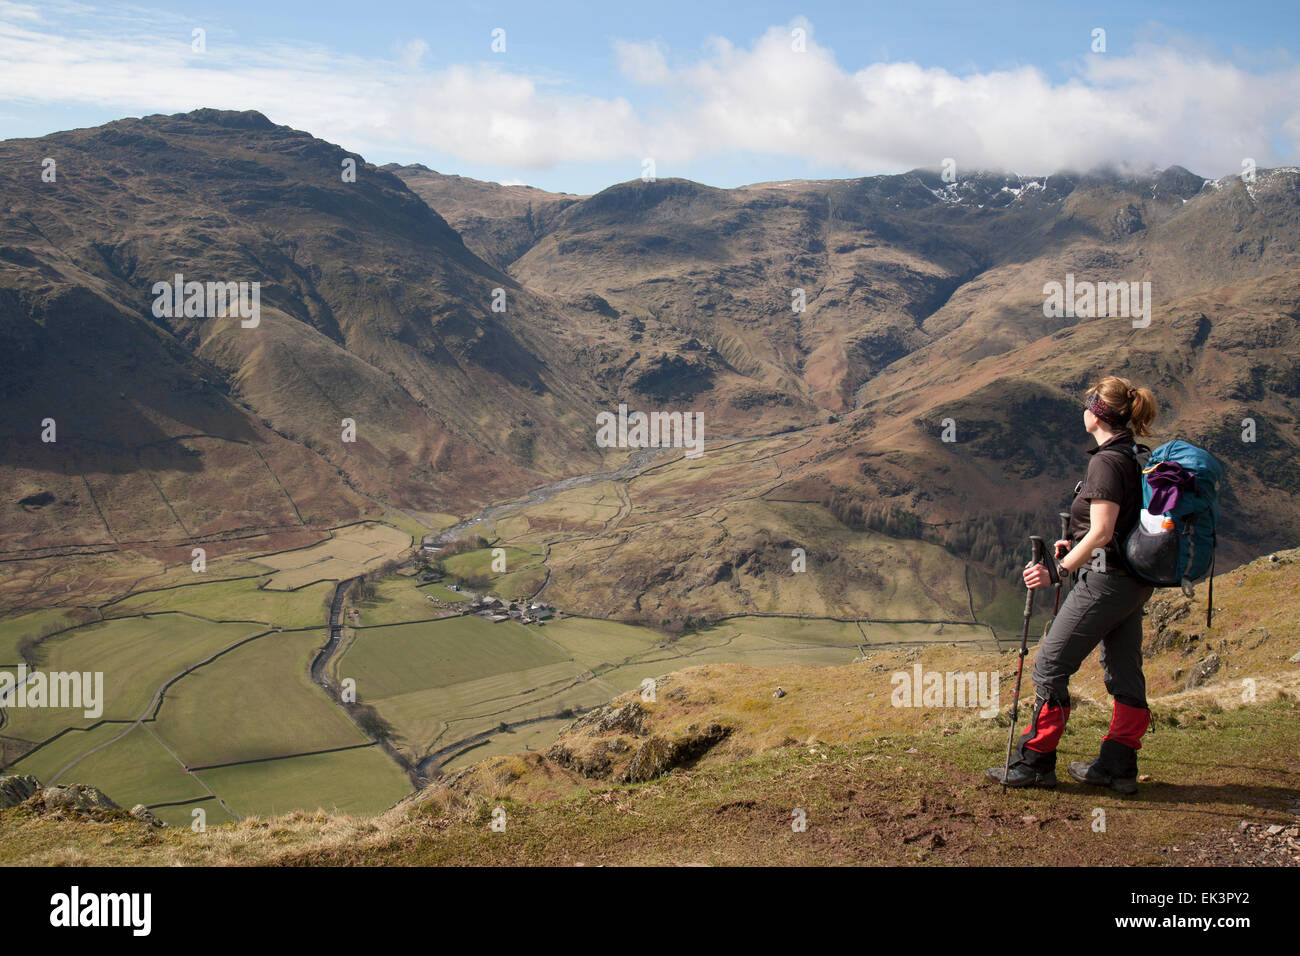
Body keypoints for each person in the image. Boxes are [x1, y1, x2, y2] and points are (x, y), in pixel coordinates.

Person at [986, 375, 1159, 794]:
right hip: (1132, 580)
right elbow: (1111, 527)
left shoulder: (1105, 461)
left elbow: (1101, 532)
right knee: (1123, 671)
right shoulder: (1133, 455)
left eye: (1087, 404)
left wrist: (1057, 570)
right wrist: (1075, 543)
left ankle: (1037, 762)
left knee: (1049, 665)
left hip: (1105, 582)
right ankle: (1118, 765)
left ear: (1096, 413)